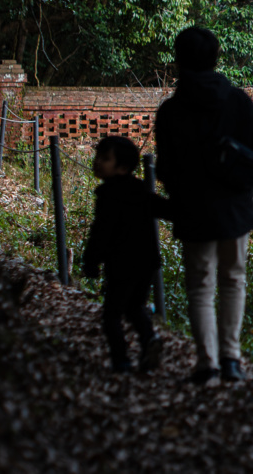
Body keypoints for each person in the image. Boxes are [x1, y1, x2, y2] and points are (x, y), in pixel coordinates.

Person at [155, 27, 253, 384]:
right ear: (215, 59)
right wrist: (241, 186)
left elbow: (165, 168)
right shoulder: (238, 101)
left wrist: (183, 191)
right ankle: (232, 361)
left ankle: (207, 365)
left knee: (201, 285)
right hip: (234, 209)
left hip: (192, 209)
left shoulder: (171, 111)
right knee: (234, 279)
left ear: (178, 61)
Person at [82, 136, 165, 374]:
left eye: (105, 159)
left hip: (121, 265)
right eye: (98, 156)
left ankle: (121, 360)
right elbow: (162, 208)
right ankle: (149, 338)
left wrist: (91, 262)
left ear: (122, 167)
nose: (97, 162)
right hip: (147, 263)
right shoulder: (140, 189)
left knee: (111, 315)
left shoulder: (108, 195)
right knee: (135, 307)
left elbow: (101, 232)